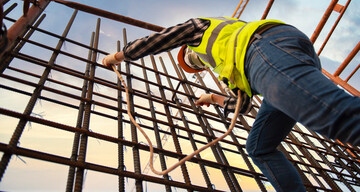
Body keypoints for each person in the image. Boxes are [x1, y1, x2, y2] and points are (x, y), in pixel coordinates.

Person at [103, 17, 360, 191]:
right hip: (275, 58)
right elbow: (243, 105)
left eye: (190, 60)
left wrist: (118, 56)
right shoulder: (226, 65)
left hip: (262, 47)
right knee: (259, 147)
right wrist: (213, 98)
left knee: (333, 117)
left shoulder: (202, 28)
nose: (193, 63)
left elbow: (161, 39)